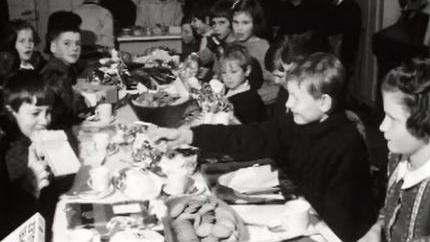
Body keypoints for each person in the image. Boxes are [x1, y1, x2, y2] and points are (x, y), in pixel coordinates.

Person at [151, 53, 376, 241]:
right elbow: (249, 136)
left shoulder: (346, 145)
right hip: (294, 215)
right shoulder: (295, 122)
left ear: (324, 103)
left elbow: (343, 221)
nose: (287, 104)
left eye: (296, 98)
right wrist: (189, 134)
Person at [358, 59, 430, 242]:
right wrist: (377, 228)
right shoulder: (397, 158)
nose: (382, 126)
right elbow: (390, 210)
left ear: (424, 122)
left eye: (392, 118)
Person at [0, 70, 72, 238]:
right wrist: (31, 189)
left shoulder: (32, 139)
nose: (45, 121)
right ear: (11, 111)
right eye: (35, 113)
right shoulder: (13, 157)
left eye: (48, 112)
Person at [41, 11, 89, 130]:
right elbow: (75, 110)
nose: (74, 48)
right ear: (53, 47)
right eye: (67, 43)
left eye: (78, 44)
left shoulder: (63, 68)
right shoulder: (54, 75)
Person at [219, 44, 267, 123]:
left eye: (233, 72)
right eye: (224, 72)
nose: (228, 77)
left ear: (247, 71)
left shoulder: (250, 100)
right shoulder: (227, 90)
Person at [0, 20, 45, 84]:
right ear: (11, 43)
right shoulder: (5, 74)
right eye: (22, 41)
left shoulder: (36, 67)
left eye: (31, 40)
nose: (28, 45)